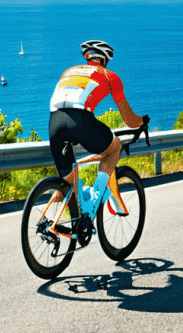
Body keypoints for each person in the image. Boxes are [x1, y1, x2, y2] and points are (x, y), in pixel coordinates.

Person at [48, 39, 145, 213]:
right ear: (104, 59)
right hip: (80, 120)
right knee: (114, 147)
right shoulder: (110, 76)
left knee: (69, 186)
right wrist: (143, 121)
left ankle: (49, 222)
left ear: (88, 57)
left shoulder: (68, 71)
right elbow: (130, 120)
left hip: (54, 121)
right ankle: (94, 200)